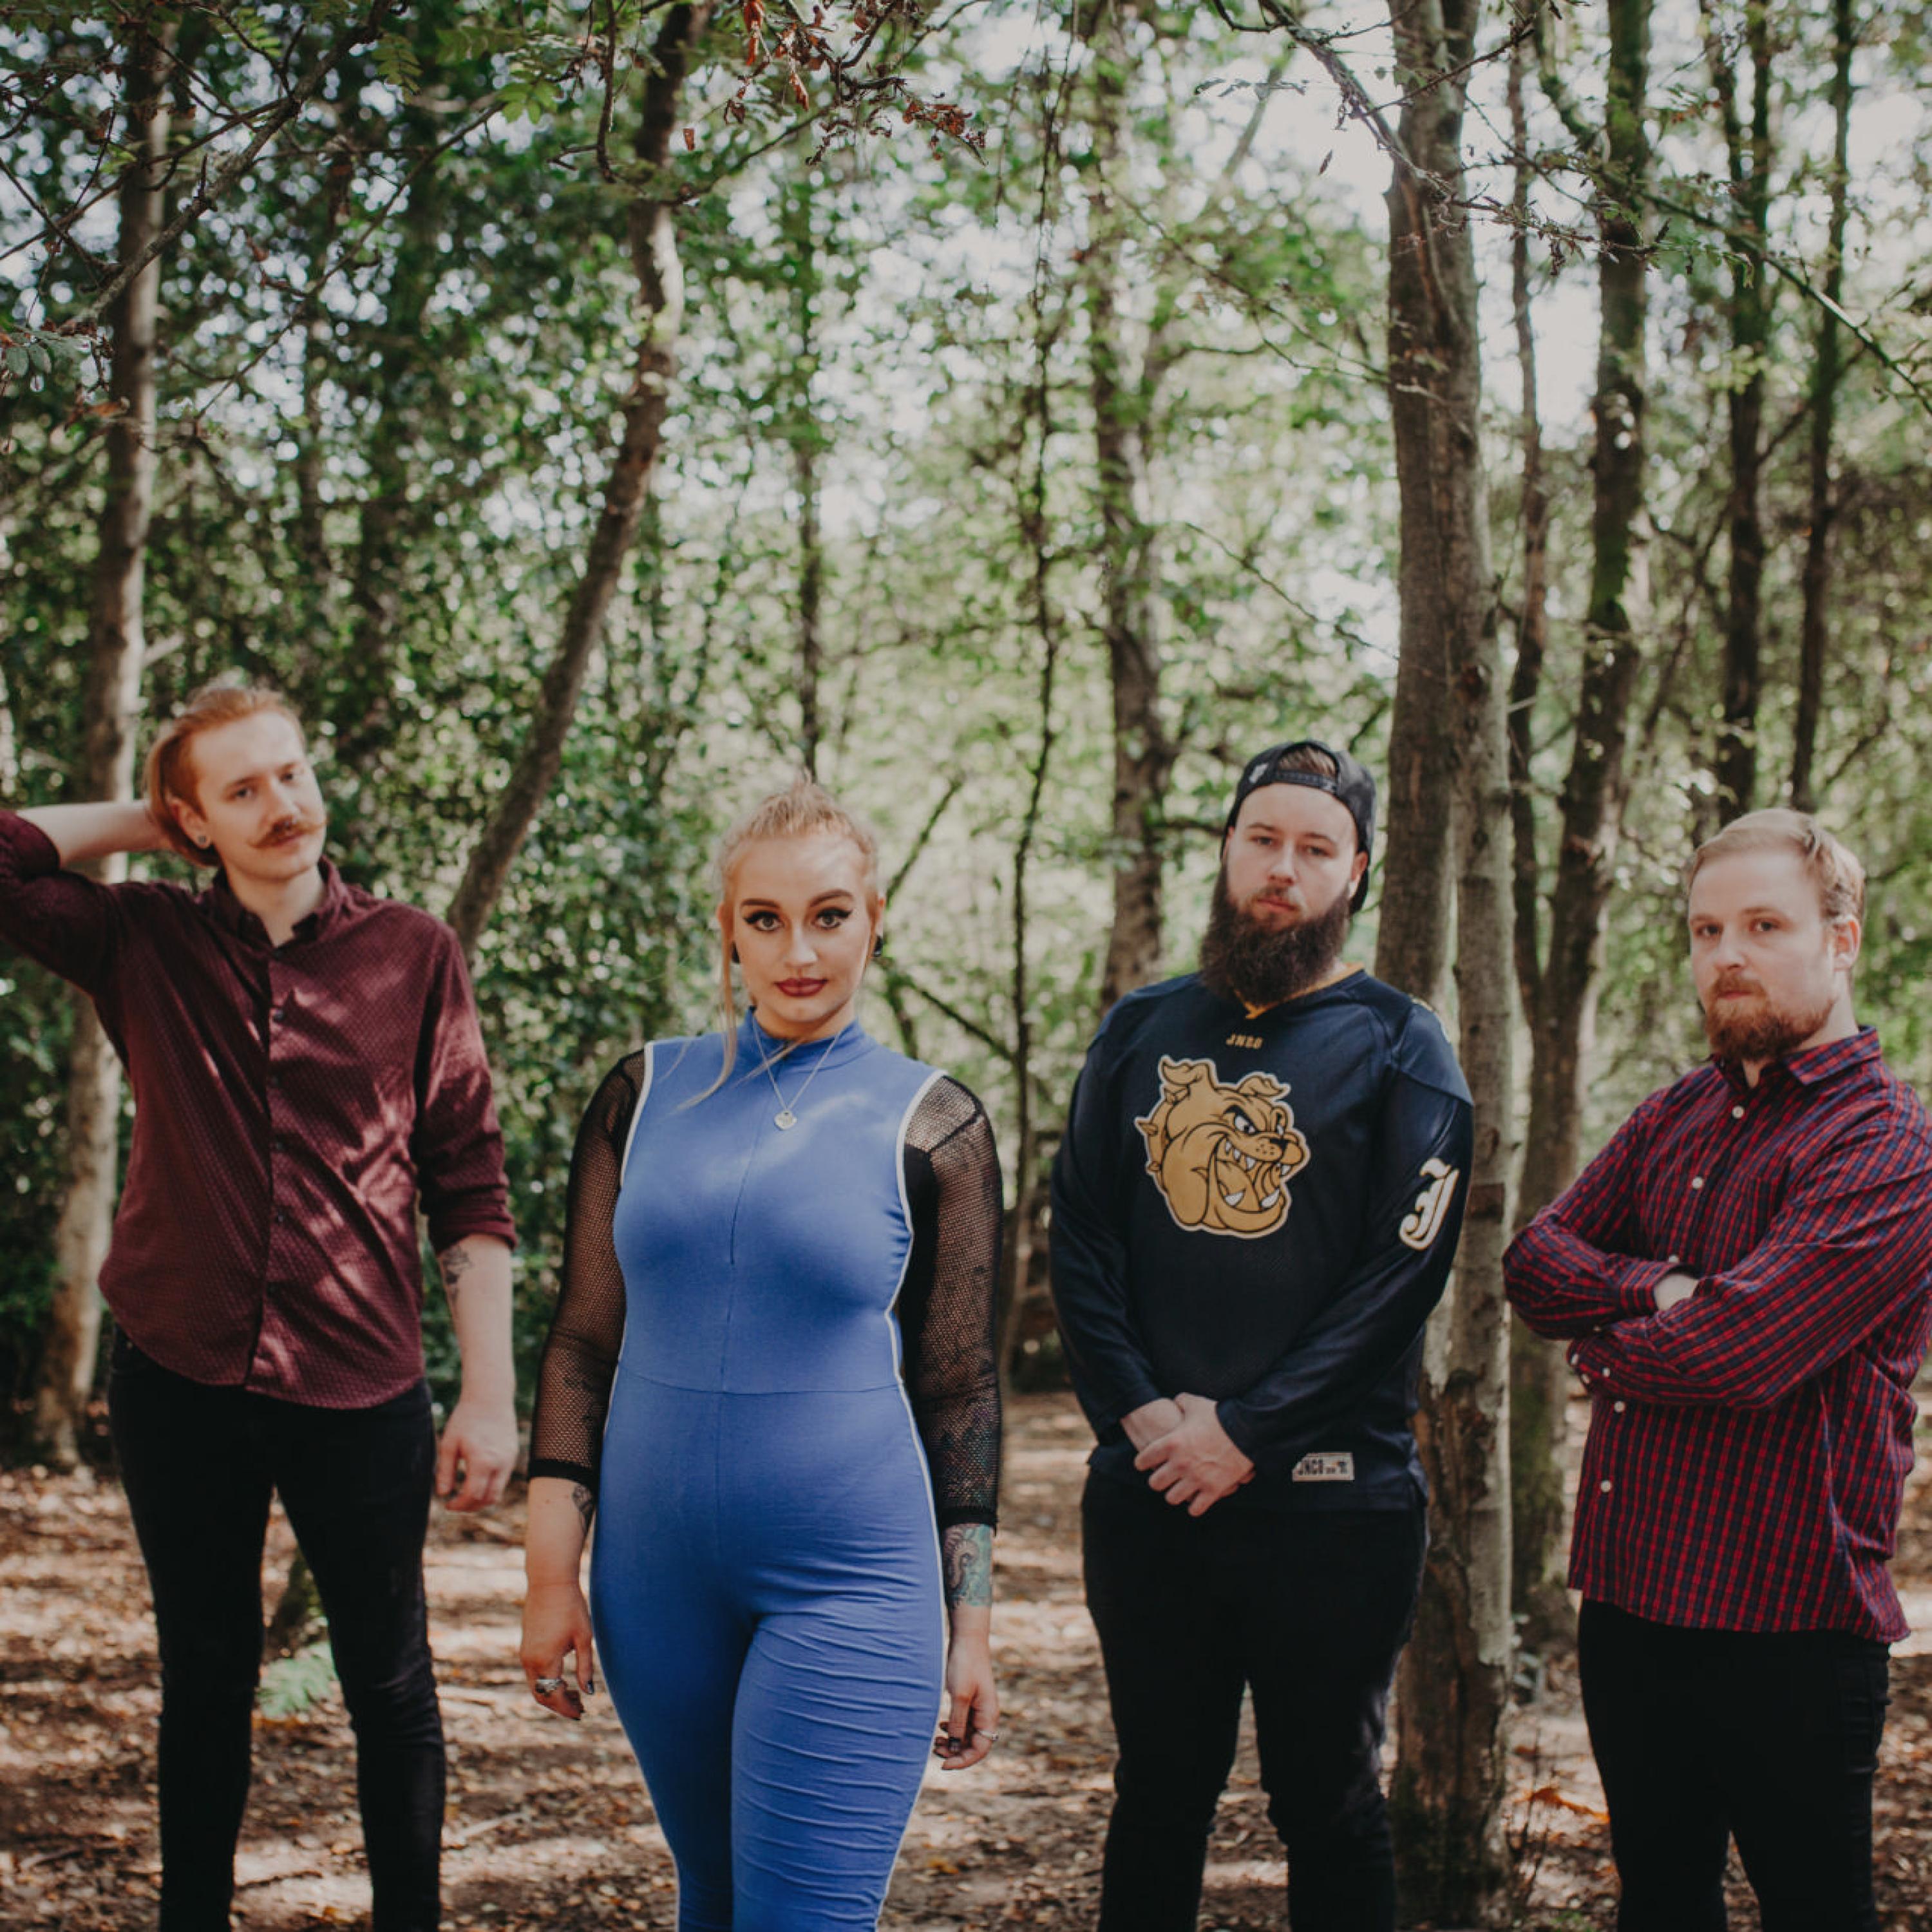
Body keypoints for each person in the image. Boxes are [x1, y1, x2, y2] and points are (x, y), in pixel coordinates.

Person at [0, 679, 518, 1932]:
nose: (285, 805)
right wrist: (151, 819)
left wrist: (490, 1395)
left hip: (362, 1384)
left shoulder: (413, 954)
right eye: (242, 790)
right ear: (195, 821)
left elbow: (468, 1181)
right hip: (178, 1376)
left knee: (390, 1684)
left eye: (292, 773)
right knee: (206, 1679)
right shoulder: (142, 940)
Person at [520, 775, 1003, 1932]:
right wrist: (549, 1579)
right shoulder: (642, 1093)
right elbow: (582, 1342)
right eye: (766, 919)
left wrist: (973, 1625)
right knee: (717, 1902)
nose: (799, 952)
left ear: (875, 921)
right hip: (655, 1587)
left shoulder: (934, 1123)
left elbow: (960, 1391)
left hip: (850, 1583)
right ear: (727, 929)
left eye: (830, 916)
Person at [1049, 739, 1473, 1932]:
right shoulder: (1139, 1030)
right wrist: (1146, 1419)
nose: (1284, 868)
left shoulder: (1403, 1047)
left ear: (1358, 872)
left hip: (1335, 1510)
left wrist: (1247, 1432)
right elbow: (1081, 1238)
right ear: (1228, 850)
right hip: (1151, 1496)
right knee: (1157, 1796)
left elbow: (1401, 1277)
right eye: (1264, 840)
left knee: (1329, 1804)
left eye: (1316, 848)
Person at [1506, 809, 1932, 1932]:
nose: (1728, 954)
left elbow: (1738, 1352)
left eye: (1763, 926)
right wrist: (1660, 1288)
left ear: (1841, 940)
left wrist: (1600, 1343)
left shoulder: (1887, 1144)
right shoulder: (1677, 1113)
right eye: (1707, 930)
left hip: (1789, 1629)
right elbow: (1534, 1263)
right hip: (1632, 1607)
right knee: (1661, 1905)